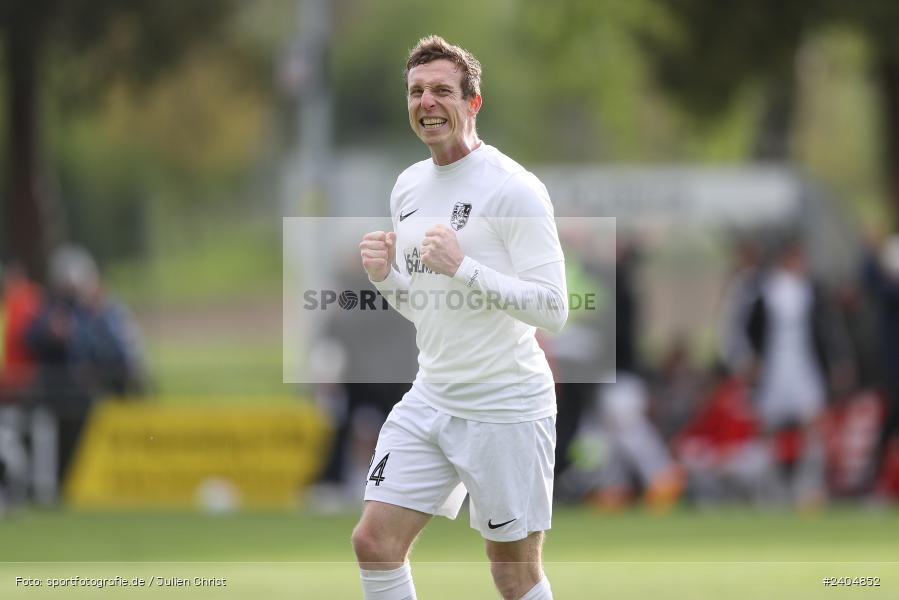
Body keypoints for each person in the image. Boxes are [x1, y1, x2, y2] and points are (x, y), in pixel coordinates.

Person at [352, 36, 567, 600]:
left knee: (512, 572)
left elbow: (554, 307)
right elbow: (425, 309)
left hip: (505, 406)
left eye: (442, 90)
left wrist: (465, 267)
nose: (427, 102)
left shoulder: (514, 189)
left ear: (473, 103)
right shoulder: (408, 186)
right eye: (417, 91)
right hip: (433, 396)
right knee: (373, 542)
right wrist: (386, 279)